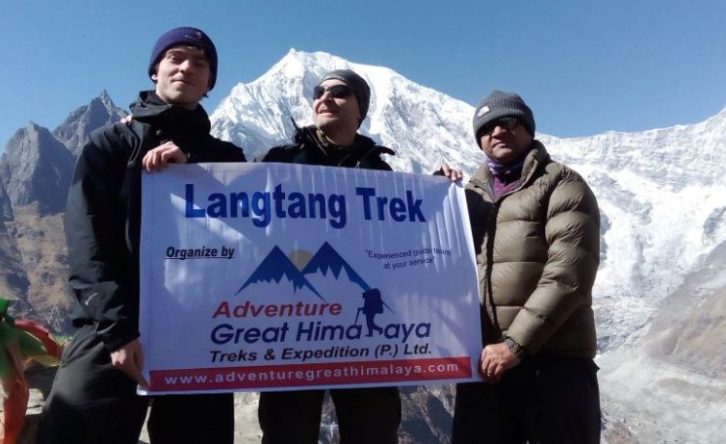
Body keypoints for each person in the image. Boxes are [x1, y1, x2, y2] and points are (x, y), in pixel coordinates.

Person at [38, 27, 245, 444]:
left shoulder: (228, 159)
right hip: (112, 330)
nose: (187, 66)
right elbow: (88, 242)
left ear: (210, 84)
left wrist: (196, 167)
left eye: (200, 63)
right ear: (156, 70)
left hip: (200, 333)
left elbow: (252, 235)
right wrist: (117, 330)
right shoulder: (109, 144)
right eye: (176, 57)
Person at [256, 69, 403, 444]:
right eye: (319, 91)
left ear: (360, 111)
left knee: (374, 431)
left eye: (339, 92)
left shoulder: (382, 174)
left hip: (364, 340)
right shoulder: (277, 161)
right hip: (292, 328)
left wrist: (440, 191)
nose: (325, 97)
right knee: (286, 432)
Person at [452, 90, 601, 443]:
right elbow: (431, 260)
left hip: (552, 369)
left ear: (529, 129)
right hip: (485, 368)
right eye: (487, 127)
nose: (498, 131)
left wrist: (515, 346)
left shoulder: (562, 184)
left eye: (509, 121)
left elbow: (569, 275)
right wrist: (432, 195)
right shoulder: (468, 196)